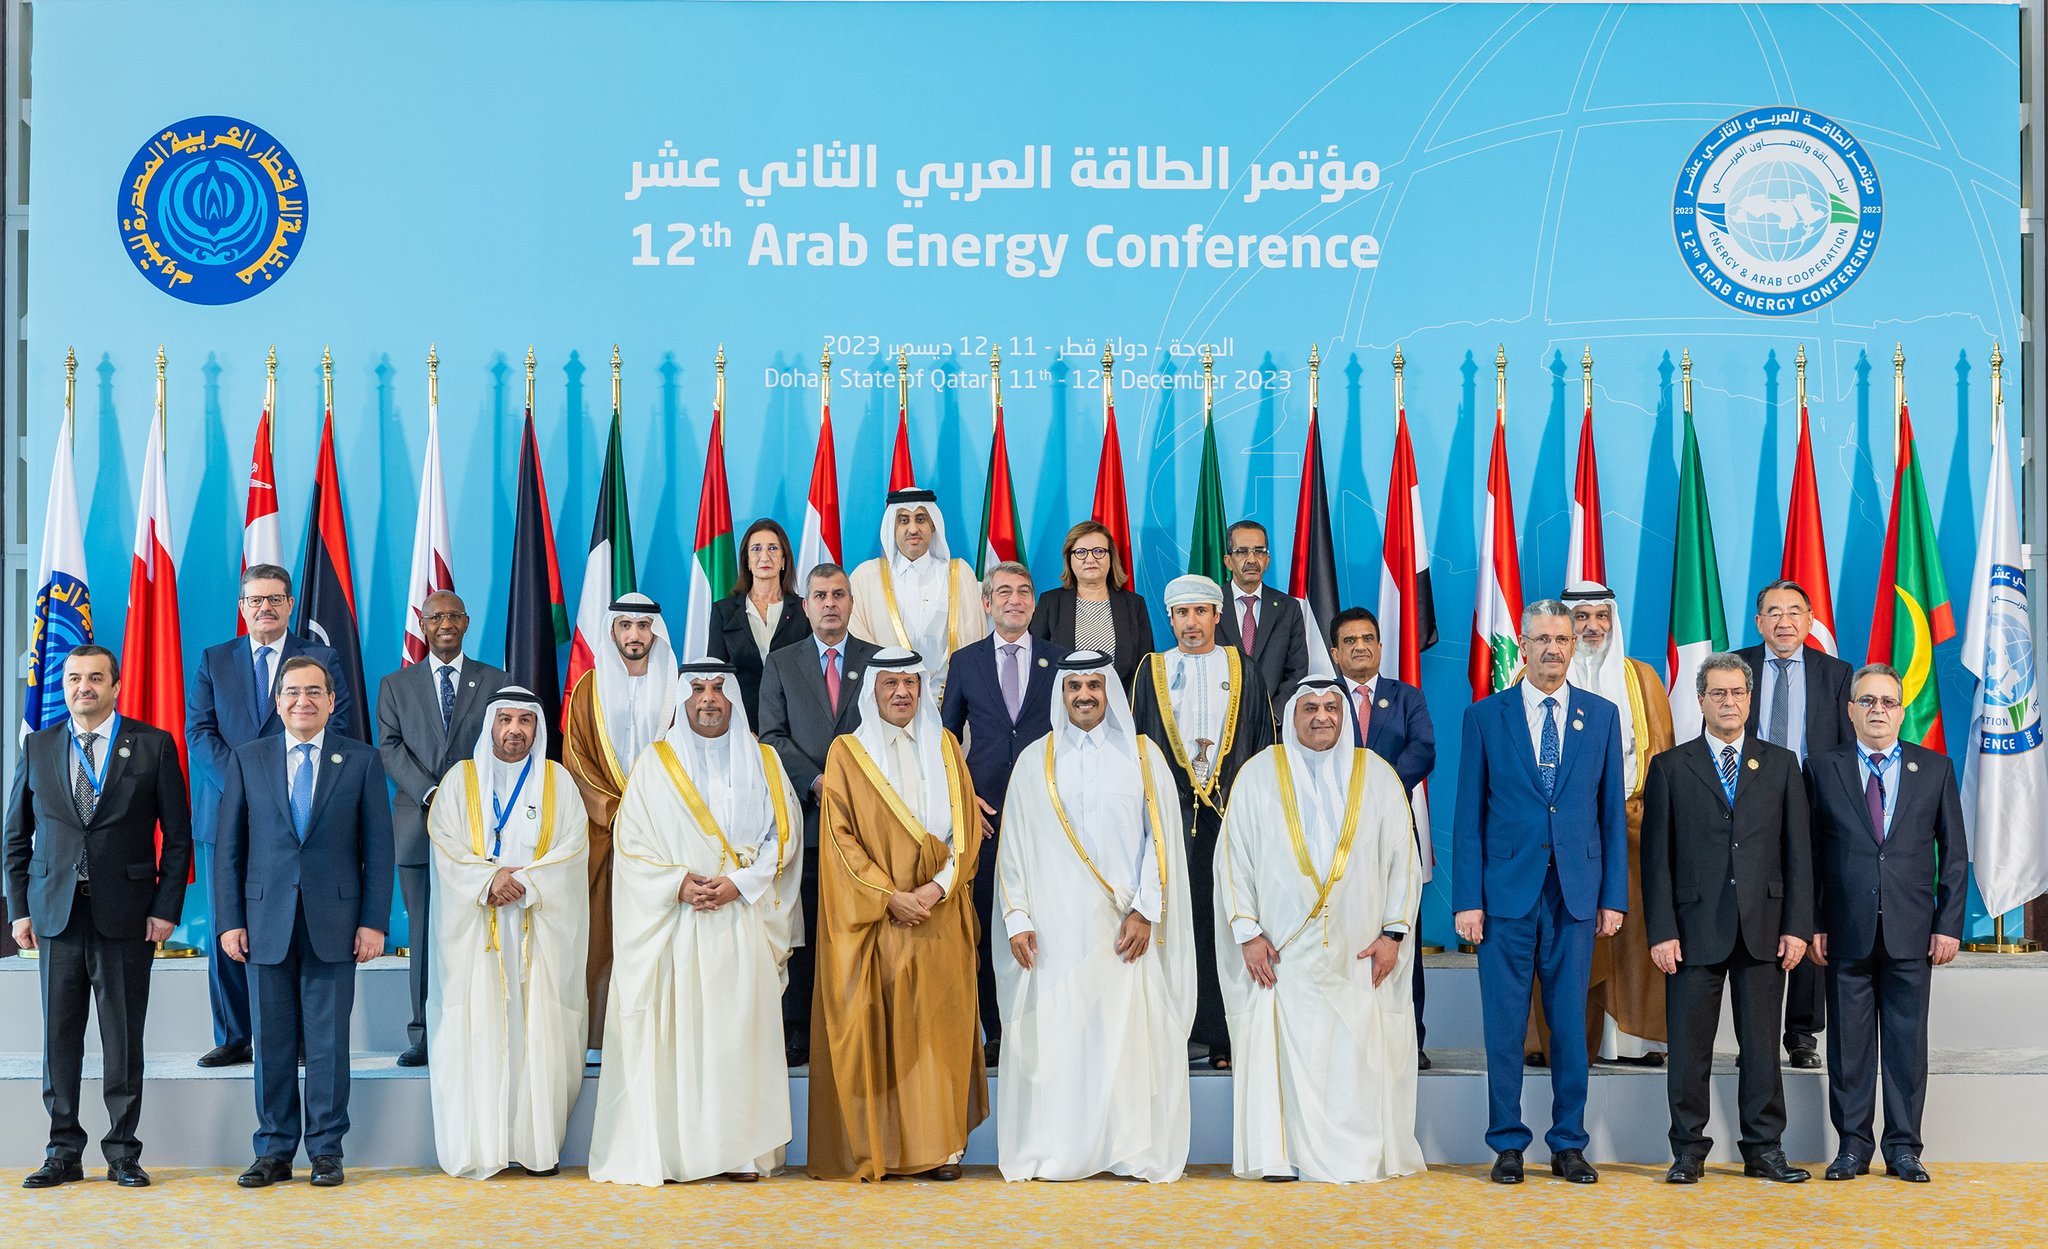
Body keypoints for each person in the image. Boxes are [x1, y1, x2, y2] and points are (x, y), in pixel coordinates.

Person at [589, 660, 803, 1186]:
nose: (709, 699)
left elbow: (783, 839)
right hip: (677, 926)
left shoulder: (765, 761)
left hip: (741, 921)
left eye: (718, 689)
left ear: (734, 698)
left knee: (737, 1039)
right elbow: (631, 846)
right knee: (681, 1042)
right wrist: (678, 884)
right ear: (682, 699)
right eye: (698, 689)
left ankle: (741, 1152)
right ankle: (680, 1152)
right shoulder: (654, 764)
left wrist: (740, 884)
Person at [994, 651, 1193, 1183]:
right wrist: (1017, 917)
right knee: (1063, 1040)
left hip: (1124, 930)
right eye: (1074, 685)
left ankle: (1128, 1151)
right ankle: (1062, 1150)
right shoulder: (1035, 760)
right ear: (1061, 693)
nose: (1084, 695)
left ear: (1110, 692)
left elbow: (1161, 842)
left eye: (1094, 685)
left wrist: (1146, 910)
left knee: (1125, 1041)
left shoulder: (1142, 756)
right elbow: (1013, 846)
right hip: (1054, 932)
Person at [1218, 680, 1425, 1183]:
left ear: (1344, 716)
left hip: (1359, 954)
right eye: (1309, 707)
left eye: (1332, 707)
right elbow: (1233, 859)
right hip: (1279, 955)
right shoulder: (1258, 775)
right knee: (1284, 1054)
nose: (1321, 716)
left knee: (1352, 1057)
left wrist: (1394, 935)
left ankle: (1354, 1155)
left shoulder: (1376, 775)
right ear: (1292, 716)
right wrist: (1247, 932)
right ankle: (1281, 1155)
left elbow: (1403, 859)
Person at [1451, 600, 1626, 1186]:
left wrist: (1613, 897)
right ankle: (1507, 1144)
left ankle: (1569, 1143)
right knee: (1504, 1027)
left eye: (1562, 639)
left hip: (1575, 897)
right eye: (1541, 639)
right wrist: (1467, 900)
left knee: (1569, 1026)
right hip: (1504, 897)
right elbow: (1468, 816)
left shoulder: (1601, 716)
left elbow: (1610, 815)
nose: (1552, 648)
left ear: (1574, 646)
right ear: (1522, 647)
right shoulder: (1486, 716)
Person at [6, 645, 191, 1189]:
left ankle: (123, 1153)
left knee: (123, 1039)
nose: (82, 687)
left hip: (127, 916)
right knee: (59, 1040)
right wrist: (19, 909)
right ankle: (62, 1151)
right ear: (63, 686)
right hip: (55, 915)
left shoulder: (153, 744)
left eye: (94, 678)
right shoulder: (39, 745)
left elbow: (178, 838)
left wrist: (165, 909)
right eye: (73, 678)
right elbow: (15, 837)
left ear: (116, 686)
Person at [806, 649, 987, 1181]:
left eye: (911, 682)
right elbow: (839, 837)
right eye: (891, 683)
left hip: (939, 912)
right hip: (879, 919)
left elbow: (964, 829)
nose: (902, 692)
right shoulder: (849, 753)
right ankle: (887, 1148)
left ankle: (943, 1149)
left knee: (939, 1032)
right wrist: (889, 896)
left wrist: (935, 889)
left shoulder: (946, 746)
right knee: (886, 1034)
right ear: (873, 691)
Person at [215, 655, 393, 1189]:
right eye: (292, 691)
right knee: (270, 1042)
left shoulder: (360, 760)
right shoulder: (248, 759)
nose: (303, 701)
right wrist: (229, 920)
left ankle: (326, 1151)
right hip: (263, 922)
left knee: (327, 1045)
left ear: (332, 701)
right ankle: (273, 1151)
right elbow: (229, 848)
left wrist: (373, 922)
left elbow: (378, 849)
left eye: (314, 691)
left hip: (335, 923)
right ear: (278, 701)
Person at [1641, 653, 1812, 1185]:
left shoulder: (1781, 764)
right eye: (1718, 693)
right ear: (1700, 700)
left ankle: (1764, 1150)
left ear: (1750, 698)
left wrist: (1797, 926)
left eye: (1738, 692)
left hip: (1765, 929)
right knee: (1688, 1051)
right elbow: (1656, 860)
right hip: (1692, 931)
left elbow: (1799, 854)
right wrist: (1662, 931)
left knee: (1761, 1050)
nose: (1729, 702)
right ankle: (1687, 1151)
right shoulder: (1671, 767)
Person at [187, 564, 354, 1068]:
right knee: (229, 925)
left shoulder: (320, 658)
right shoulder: (215, 659)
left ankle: (295, 1039)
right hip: (225, 811)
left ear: (289, 604)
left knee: (294, 925)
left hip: (300, 814)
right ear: (243, 607)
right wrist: (247, 786)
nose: (265, 607)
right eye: (256, 599)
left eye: (275, 598)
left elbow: (338, 724)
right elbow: (200, 731)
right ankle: (235, 1035)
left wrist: (276, 790)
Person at [1809, 663, 1966, 1183]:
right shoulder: (1822, 768)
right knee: (1849, 1049)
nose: (1878, 710)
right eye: (1868, 701)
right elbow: (1808, 854)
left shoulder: (1935, 768)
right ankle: (1852, 1148)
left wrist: (1948, 924)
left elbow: (1955, 855)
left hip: (1912, 932)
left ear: (1902, 711)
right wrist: (1813, 921)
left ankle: (1903, 1149)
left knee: (1905, 1047)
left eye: (1888, 702)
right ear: (1850, 710)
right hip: (1845, 931)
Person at [424, 688, 590, 1180]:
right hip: (479, 933)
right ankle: (484, 1146)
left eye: (525, 720)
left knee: (540, 1030)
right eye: (505, 720)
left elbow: (573, 846)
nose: (514, 729)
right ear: (490, 726)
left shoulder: (558, 782)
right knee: (480, 1028)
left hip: (539, 930)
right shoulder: (460, 780)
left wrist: (527, 883)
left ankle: (537, 1146)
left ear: (537, 728)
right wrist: (488, 879)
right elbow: (446, 844)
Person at [1526, 582, 1675, 1068]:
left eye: (1602, 616)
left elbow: (1663, 755)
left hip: (1628, 830)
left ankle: (1632, 1041)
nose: (1593, 627)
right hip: (1558, 834)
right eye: (1582, 617)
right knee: (1559, 938)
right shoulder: (1537, 677)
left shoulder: (1642, 678)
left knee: (1628, 937)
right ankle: (1557, 1042)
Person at [1129, 574, 1275, 1070]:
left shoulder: (1243, 669)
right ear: (1170, 619)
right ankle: (1173, 1031)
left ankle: (1221, 1035)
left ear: (1217, 615)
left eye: (1200, 612)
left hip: (1228, 817)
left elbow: (1260, 743)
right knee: (1172, 921)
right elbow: (1140, 744)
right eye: (1181, 614)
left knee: (1224, 921)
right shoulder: (1150, 670)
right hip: (1169, 820)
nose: (1191, 623)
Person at [375, 590, 511, 1067]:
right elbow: (389, 748)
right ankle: (425, 1033)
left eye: (454, 615)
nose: (446, 623)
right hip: (418, 826)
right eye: (436, 617)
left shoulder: (495, 681)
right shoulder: (396, 685)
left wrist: (468, 798)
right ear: (423, 625)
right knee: (425, 932)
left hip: (482, 829)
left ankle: (478, 1028)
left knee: (479, 929)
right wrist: (433, 793)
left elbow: (504, 744)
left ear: (467, 622)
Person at [940, 559, 1067, 1061]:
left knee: (1051, 915)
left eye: (1024, 591)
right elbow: (946, 738)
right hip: (985, 816)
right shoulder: (965, 661)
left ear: (1034, 602)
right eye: (1004, 592)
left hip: (1048, 814)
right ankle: (996, 1031)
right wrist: (962, 797)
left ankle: (1050, 1022)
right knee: (990, 920)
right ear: (987, 603)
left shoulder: (1060, 659)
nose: (1015, 600)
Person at [758, 563, 882, 1065]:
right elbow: (771, 736)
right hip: (805, 823)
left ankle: (861, 1028)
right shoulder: (781, 663)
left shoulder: (877, 661)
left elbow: (887, 733)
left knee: (861, 929)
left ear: (852, 603)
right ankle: (799, 1034)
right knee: (804, 931)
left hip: (866, 825)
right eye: (820, 596)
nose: (830, 603)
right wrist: (816, 780)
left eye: (839, 595)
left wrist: (851, 785)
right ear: (805, 606)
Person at [1735, 578, 1855, 1071]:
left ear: (1809, 620)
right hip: (1751, 803)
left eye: (1794, 612)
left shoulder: (1836, 673)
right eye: (1774, 612)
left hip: (1814, 803)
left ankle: (1802, 1032)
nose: (1784, 622)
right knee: (1758, 910)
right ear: (1759, 621)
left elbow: (1846, 747)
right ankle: (1756, 1037)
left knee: (1807, 911)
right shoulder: (1736, 666)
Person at [561, 592, 676, 1047]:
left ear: (655, 632)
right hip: (604, 834)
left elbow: (687, 756)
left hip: (664, 833)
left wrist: (651, 814)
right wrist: (615, 813)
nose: (634, 634)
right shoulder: (588, 687)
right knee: (602, 934)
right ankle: (600, 1038)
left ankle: (657, 1038)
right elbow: (576, 758)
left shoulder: (677, 686)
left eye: (643, 626)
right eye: (625, 625)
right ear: (612, 631)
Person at [1328, 606, 1436, 1067]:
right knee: (1343, 933)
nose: (1360, 647)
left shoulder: (1406, 696)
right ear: (1334, 653)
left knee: (1400, 932)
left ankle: (1410, 1040)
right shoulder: (1321, 699)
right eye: (1349, 641)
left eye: (1367, 639)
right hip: (1334, 834)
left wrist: (1377, 785)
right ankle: (1344, 1037)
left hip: (1394, 831)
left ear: (1380, 645)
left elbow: (1424, 750)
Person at [847, 486, 987, 699]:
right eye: (904, 520)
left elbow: (974, 641)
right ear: (892, 527)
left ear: (933, 525)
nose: (913, 529)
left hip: (951, 701)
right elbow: (858, 647)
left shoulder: (958, 574)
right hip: (888, 702)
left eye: (920, 519)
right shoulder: (865, 578)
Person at [1029, 520, 1155, 690]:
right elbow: (1035, 661)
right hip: (1064, 701)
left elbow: (1145, 668)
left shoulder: (1134, 604)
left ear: (1111, 557)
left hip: (1121, 701)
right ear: (1069, 559)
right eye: (1081, 552)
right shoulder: (1050, 603)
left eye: (1099, 551)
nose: (1090, 559)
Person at [708, 518, 810, 726]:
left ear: (784, 560)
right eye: (756, 549)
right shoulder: (724, 611)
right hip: (740, 724)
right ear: (746, 560)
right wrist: (739, 728)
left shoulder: (804, 610)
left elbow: (811, 676)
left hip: (794, 724)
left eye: (773, 548)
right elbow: (716, 677)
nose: (764, 556)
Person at [1214, 520, 1310, 712]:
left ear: (1267, 560)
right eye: (1242, 551)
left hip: (1271, 722)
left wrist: (1272, 716)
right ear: (1228, 561)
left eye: (1259, 551)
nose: (1252, 559)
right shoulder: (1210, 606)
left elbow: (1296, 671)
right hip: (1220, 719)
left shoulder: (1288, 608)